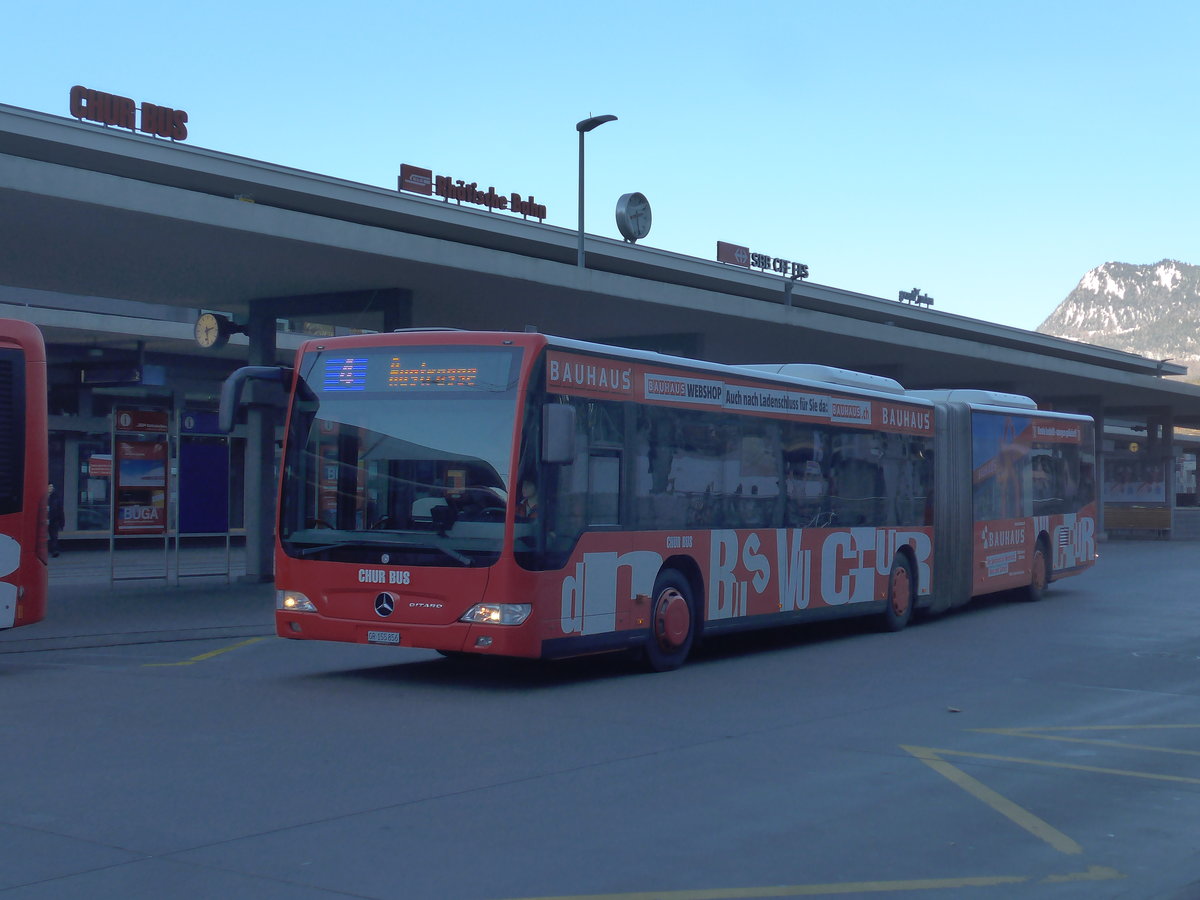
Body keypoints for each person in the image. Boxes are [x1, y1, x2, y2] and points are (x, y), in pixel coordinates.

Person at [47, 484, 64, 557]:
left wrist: (62, 522)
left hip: (54, 520)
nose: (51, 488)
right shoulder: (41, 496)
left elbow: (60, 510)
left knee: (54, 536)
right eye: (49, 487)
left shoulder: (56, 497)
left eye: (52, 487)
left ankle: (54, 550)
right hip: (43, 520)